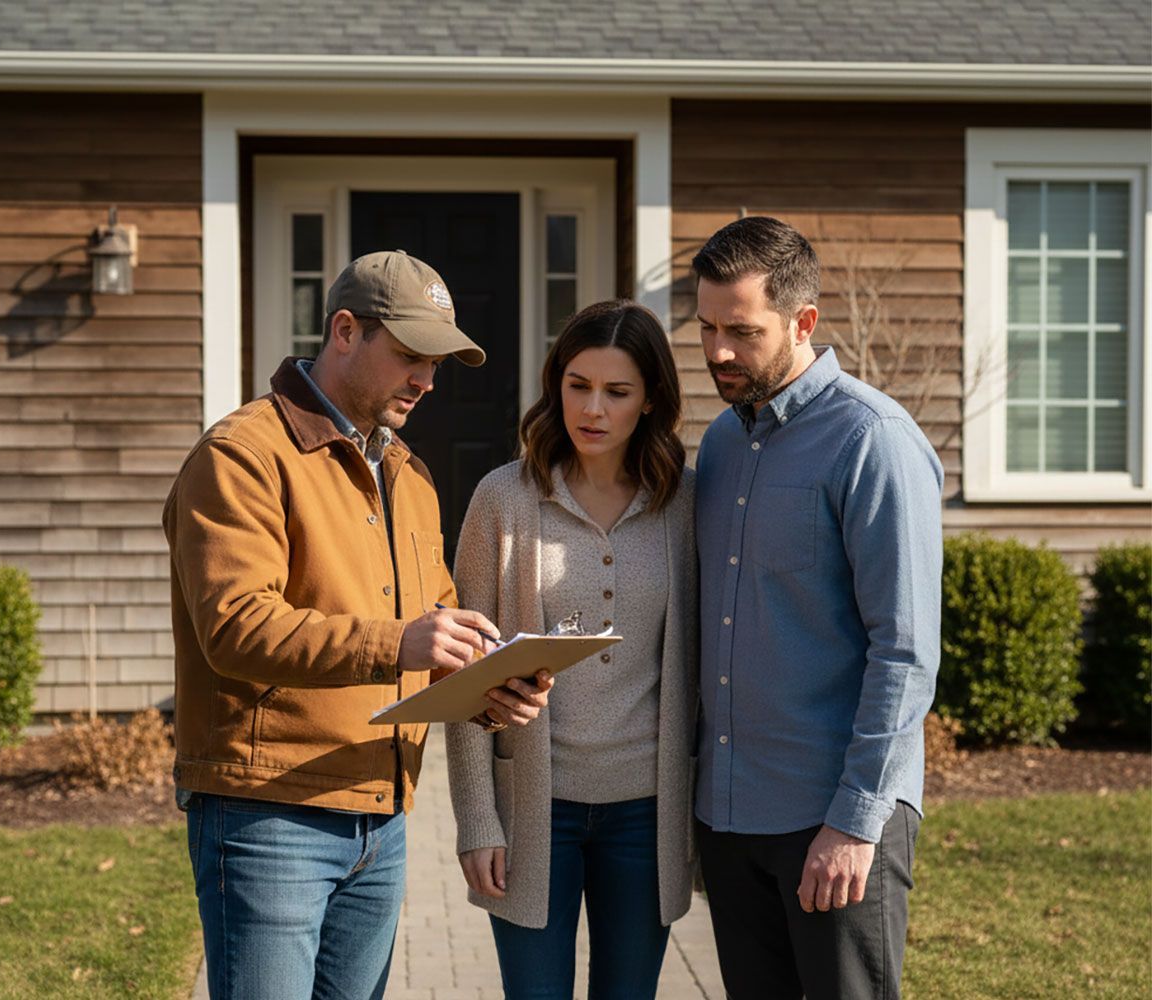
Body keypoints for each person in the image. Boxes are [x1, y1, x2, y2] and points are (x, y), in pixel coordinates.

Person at [162, 250, 552, 1000]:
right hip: (267, 814)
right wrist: (400, 642)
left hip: (383, 818)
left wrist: (487, 685)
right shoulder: (242, 456)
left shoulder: (407, 473)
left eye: (437, 364)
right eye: (411, 356)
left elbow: (433, 621)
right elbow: (235, 627)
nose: (428, 382)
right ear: (345, 330)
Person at [691, 216, 944, 1000]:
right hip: (731, 818)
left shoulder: (873, 442)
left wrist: (855, 820)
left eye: (742, 331)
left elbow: (903, 651)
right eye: (705, 327)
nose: (717, 352)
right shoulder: (722, 444)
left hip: (831, 820)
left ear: (803, 322)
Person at [444, 299, 698, 1000]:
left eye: (617, 392)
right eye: (578, 385)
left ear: (650, 402)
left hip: (645, 814)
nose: (594, 408)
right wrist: (476, 819)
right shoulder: (503, 500)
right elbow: (465, 677)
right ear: (556, 383)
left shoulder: (682, 505)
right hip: (533, 808)